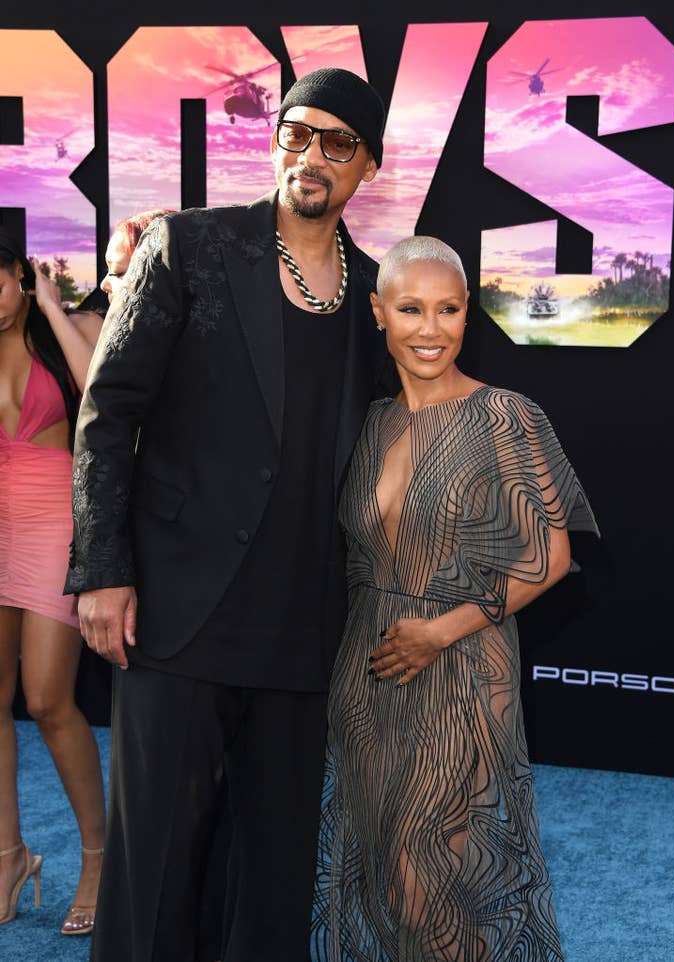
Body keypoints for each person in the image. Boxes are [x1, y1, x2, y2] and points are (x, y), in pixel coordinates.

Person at [64, 68, 392, 962]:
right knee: (154, 877)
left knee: (271, 887)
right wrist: (102, 570)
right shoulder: (190, 245)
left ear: (368, 166)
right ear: (275, 139)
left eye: (337, 143)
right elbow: (108, 412)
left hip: (303, 628)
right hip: (178, 613)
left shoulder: (374, 295)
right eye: (297, 132)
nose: (311, 156)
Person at [312, 236, 600, 962]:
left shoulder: (503, 415)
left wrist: (439, 630)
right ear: (379, 311)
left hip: (463, 665)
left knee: (424, 880)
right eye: (411, 309)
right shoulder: (371, 422)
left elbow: (553, 558)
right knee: (384, 876)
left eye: (448, 309)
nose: (431, 329)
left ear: (469, 311)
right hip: (369, 671)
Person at [0, 229, 105, 934]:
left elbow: (103, 391)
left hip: (54, 522)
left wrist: (49, 305)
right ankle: (9, 855)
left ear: (17, 272)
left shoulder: (69, 328)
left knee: (45, 699)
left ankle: (99, 857)